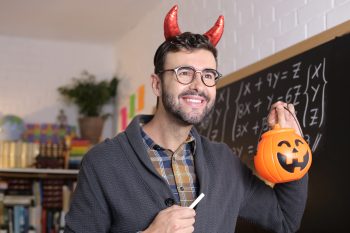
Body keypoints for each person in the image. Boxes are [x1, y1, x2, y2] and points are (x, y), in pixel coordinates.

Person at [64, 5, 308, 233]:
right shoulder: (103, 163)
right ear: (157, 84)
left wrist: (292, 143)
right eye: (184, 73)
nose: (198, 85)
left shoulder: (224, 163)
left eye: (208, 75)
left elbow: (285, 219)